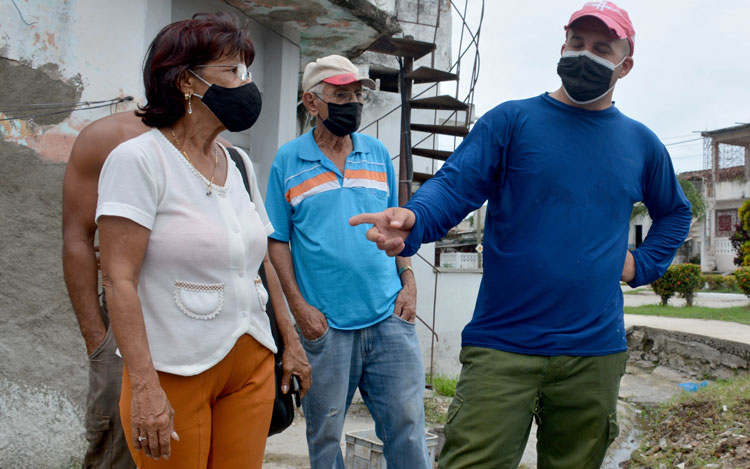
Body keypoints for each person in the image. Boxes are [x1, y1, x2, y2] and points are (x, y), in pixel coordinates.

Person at [350, 2, 692, 468]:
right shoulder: (511, 122)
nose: (583, 55)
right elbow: (453, 187)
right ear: (562, 44)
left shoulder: (640, 143)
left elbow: (675, 213)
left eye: (601, 48)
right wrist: (414, 219)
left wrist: (641, 262)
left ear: (625, 64)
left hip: (592, 352)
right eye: (576, 43)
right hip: (502, 345)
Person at [95, 13, 311, 468]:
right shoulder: (138, 160)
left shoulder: (238, 163)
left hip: (251, 364)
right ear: (186, 82)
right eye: (231, 71)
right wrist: (145, 387)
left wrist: (290, 342)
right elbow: (118, 279)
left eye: (245, 71)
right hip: (175, 368)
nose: (246, 84)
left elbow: (262, 261)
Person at [265, 55, 430, 469]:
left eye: (357, 94)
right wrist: (299, 310)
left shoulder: (376, 154)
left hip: (388, 316)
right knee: (325, 436)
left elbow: (395, 225)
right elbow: (277, 243)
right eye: (341, 94)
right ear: (312, 102)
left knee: (408, 427)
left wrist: (408, 279)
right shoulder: (288, 162)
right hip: (326, 326)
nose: (353, 102)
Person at [63, 111, 147, 469]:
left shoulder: (222, 151)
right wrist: (98, 339)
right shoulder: (109, 136)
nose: (241, 82)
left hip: (199, 324)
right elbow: (77, 238)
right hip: (124, 323)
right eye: (230, 70)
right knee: (118, 450)